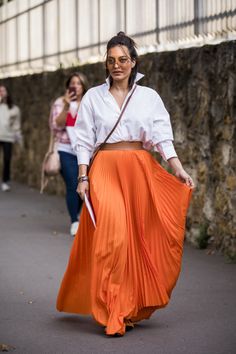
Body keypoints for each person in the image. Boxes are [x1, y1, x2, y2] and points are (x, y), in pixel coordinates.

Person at [56, 32, 194, 336]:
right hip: (104, 169)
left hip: (140, 170)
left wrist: (179, 169)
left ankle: (129, 305)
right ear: (106, 64)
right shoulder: (93, 96)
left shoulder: (149, 97)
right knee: (114, 237)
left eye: (122, 59)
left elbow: (161, 138)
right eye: (111, 60)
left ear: (133, 63)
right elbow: (83, 140)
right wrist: (82, 176)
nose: (116, 65)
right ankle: (112, 309)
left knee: (136, 239)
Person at [50, 72, 89, 236]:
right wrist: (67, 105)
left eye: (79, 83)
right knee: (73, 184)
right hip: (66, 150)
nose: (76, 86)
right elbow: (56, 126)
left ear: (83, 86)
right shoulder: (60, 103)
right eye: (73, 83)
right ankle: (74, 221)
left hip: (86, 151)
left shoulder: (89, 102)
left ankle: (78, 214)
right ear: (68, 86)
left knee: (84, 186)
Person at [0, 85, 22, 192]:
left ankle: (5, 181)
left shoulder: (14, 108)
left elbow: (17, 125)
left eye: (3, 90)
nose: (1, 92)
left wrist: (18, 137)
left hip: (8, 137)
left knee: (7, 159)